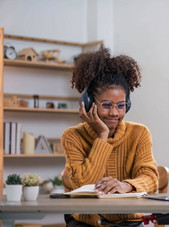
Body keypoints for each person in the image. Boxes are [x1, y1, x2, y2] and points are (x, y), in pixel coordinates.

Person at [61, 47, 158, 227]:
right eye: (106, 105)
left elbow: (151, 178)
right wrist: (102, 135)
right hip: (87, 223)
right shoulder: (72, 136)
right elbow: (84, 184)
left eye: (120, 105)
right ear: (88, 103)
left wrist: (126, 186)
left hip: (128, 221)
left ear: (127, 105)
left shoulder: (139, 133)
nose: (114, 113)